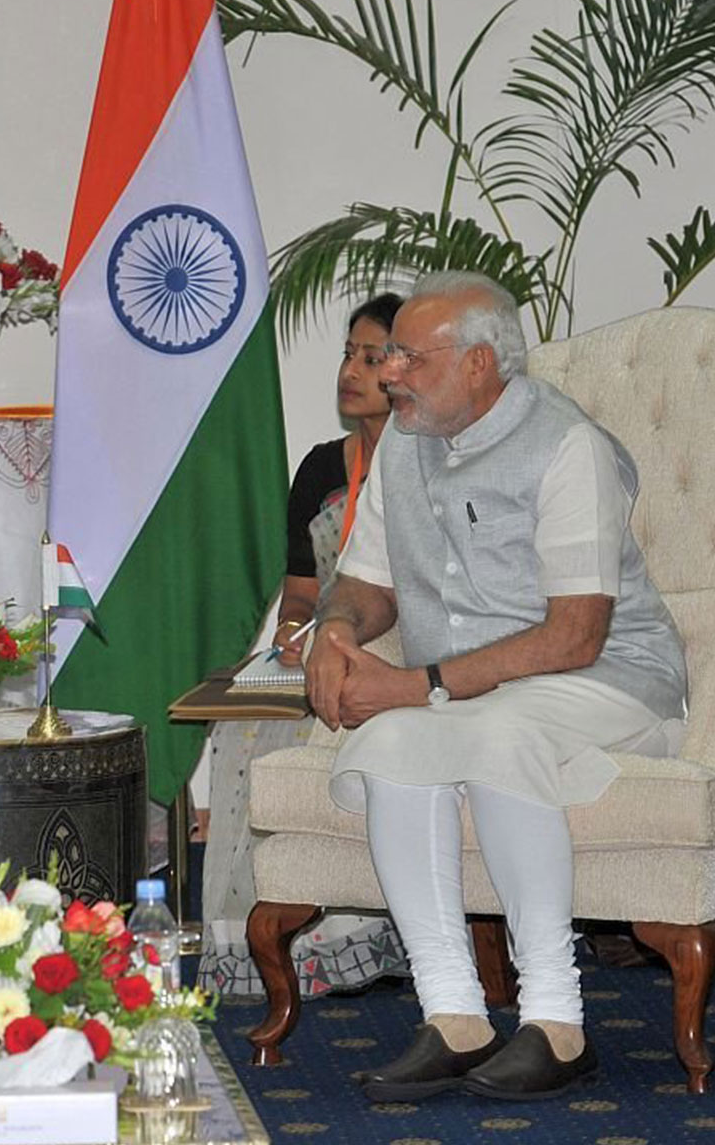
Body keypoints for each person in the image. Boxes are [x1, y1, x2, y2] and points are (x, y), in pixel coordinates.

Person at [308, 271, 686, 1102]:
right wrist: (334, 634)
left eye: (410, 354)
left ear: (480, 364)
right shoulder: (403, 443)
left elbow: (574, 635)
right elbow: (365, 585)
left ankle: (555, 1022)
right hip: (470, 693)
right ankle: (453, 1015)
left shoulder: (567, 447)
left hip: (613, 679)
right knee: (392, 743)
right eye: (390, 353)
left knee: (499, 731)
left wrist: (420, 683)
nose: (390, 372)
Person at [201, 294, 408, 999]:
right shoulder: (323, 468)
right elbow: (299, 588)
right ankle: (252, 937)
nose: (351, 370)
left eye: (371, 357)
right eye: (348, 354)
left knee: (334, 704)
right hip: (319, 641)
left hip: (398, 648)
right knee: (244, 713)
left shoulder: (434, 463)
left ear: (407, 368)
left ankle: (355, 931)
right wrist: (291, 631)